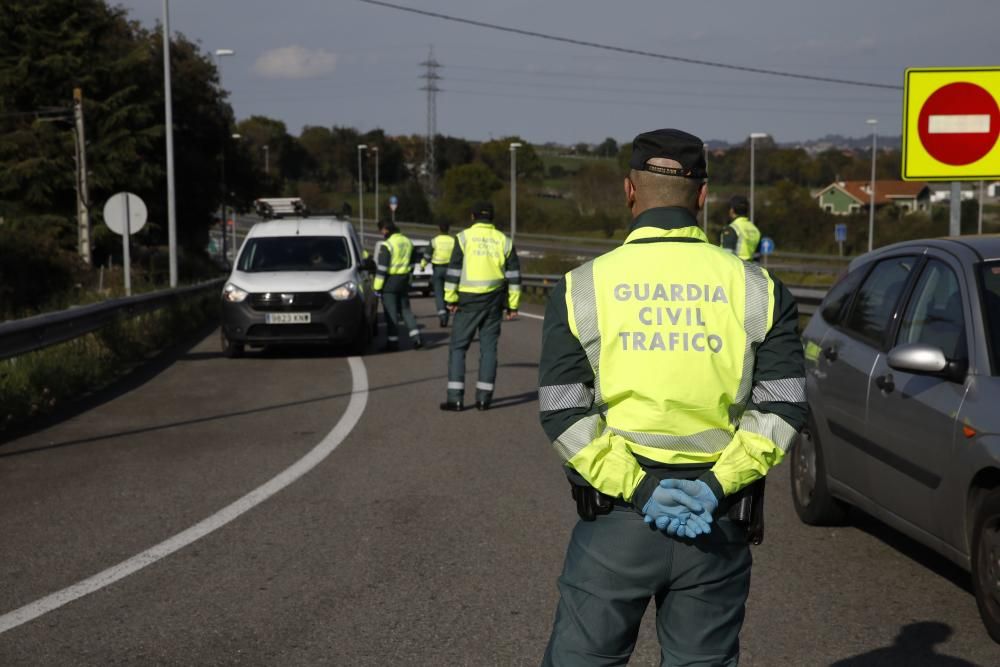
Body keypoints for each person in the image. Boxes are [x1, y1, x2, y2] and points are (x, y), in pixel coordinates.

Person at [538, 129, 807, 666]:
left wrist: (638, 490)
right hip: (716, 524)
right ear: (703, 197)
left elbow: (564, 412)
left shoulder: (581, 287)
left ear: (629, 190)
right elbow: (782, 407)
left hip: (617, 523)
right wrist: (713, 487)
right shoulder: (761, 289)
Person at [440, 201, 521, 412]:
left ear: (472, 216)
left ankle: (455, 399)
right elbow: (514, 276)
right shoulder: (504, 240)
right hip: (494, 301)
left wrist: (450, 299)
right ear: (492, 217)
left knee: (458, 348)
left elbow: (454, 272)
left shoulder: (463, 238)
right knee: (488, 350)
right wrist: (513, 306)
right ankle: (484, 399)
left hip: (467, 301)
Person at [373, 220, 422, 351]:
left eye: (381, 231)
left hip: (390, 283)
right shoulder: (408, 242)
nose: (381, 233)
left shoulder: (387, 245)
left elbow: (382, 269)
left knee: (391, 314)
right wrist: (407, 277)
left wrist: (377, 287)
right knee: (406, 310)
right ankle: (417, 338)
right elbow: (412, 264)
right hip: (404, 280)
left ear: (385, 230)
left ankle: (392, 343)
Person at [421, 222, 457, 327]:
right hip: (451, 270)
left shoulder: (434, 241)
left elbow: (427, 255)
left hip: (438, 269)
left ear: (439, 229)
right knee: (450, 292)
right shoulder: (454, 241)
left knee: (439, 294)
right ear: (449, 229)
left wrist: (423, 266)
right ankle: (448, 311)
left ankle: (442, 316)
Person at [720, 194, 761, 261]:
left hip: (735, 269)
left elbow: (727, 257)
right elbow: (757, 257)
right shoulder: (755, 230)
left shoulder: (731, 229)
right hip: (750, 269)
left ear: (732, 210)